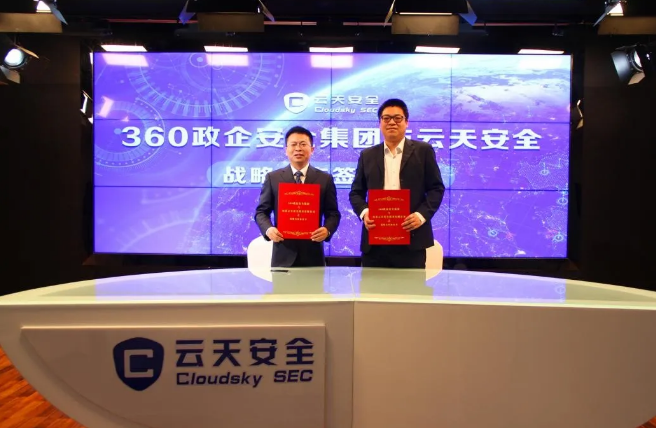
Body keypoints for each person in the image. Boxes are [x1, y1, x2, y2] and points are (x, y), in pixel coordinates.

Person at [349, 98, 445, 268]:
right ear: (380, 123)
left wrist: (421, 216)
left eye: (397, 118)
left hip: (412, 239)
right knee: (372, 286)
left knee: (411, 286)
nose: (392, 122)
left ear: (406, 122)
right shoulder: (367, 155)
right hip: (375, 241)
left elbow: (436, 188)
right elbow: (356, 192)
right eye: (386, 118)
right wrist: (365, 213)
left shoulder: (423, 151)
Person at [255, 126, 341, 267]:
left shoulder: (325, 179)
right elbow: (261, 212)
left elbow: (333, 214)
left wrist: (327, 230)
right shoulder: (273, 178)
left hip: (313, 256)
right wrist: (268, 229)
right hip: (282, 255)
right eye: (293, 144)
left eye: (303, 144)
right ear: (286, 150)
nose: (298, 149)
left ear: (312, 149)